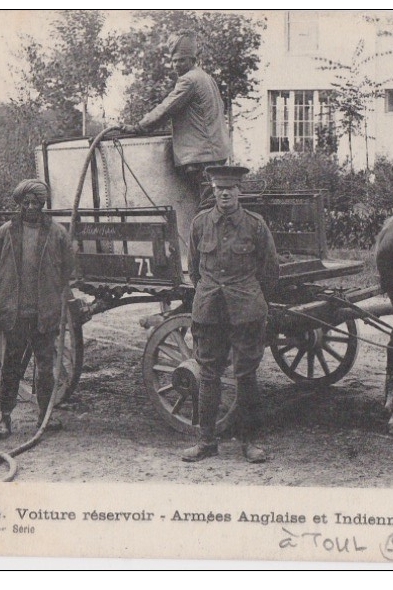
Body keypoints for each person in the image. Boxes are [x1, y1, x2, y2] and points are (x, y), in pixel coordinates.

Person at [184, 165, 279, 463]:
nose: (224, 194)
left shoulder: (255, 225)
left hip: (245, 311)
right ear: (212, 191)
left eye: (230, 189)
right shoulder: (200, 224)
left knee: (246, 375)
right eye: (219, 189)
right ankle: (206, 441)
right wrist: (210, 294)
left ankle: (249, 442)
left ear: (239, 191)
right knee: (209, 375)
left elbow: (270, 271)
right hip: (210, 311)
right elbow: (194, 269)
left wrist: (249, 297)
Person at [0, 179, 75, 440]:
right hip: (15, 315)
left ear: (42, 205)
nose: (30, 207)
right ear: (19, 204)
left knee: (46, 368)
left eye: (35, 203)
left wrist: (56, 294)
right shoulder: (6, 232)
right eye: (25, 202)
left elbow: (68, 268)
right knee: (11, 367)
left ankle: (44, 417)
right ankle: (5, 419)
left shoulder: (57, 233)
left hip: (44, 314)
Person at [120, 30, 232, 204]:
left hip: (202, 157)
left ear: (193, 60)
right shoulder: (206, 77)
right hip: (215, 153)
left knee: (208, 207)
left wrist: (138, 128)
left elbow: (166, 109)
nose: (176, 65)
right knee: (215, 204)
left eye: (181, 60)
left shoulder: (189, 80)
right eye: (174, 61)